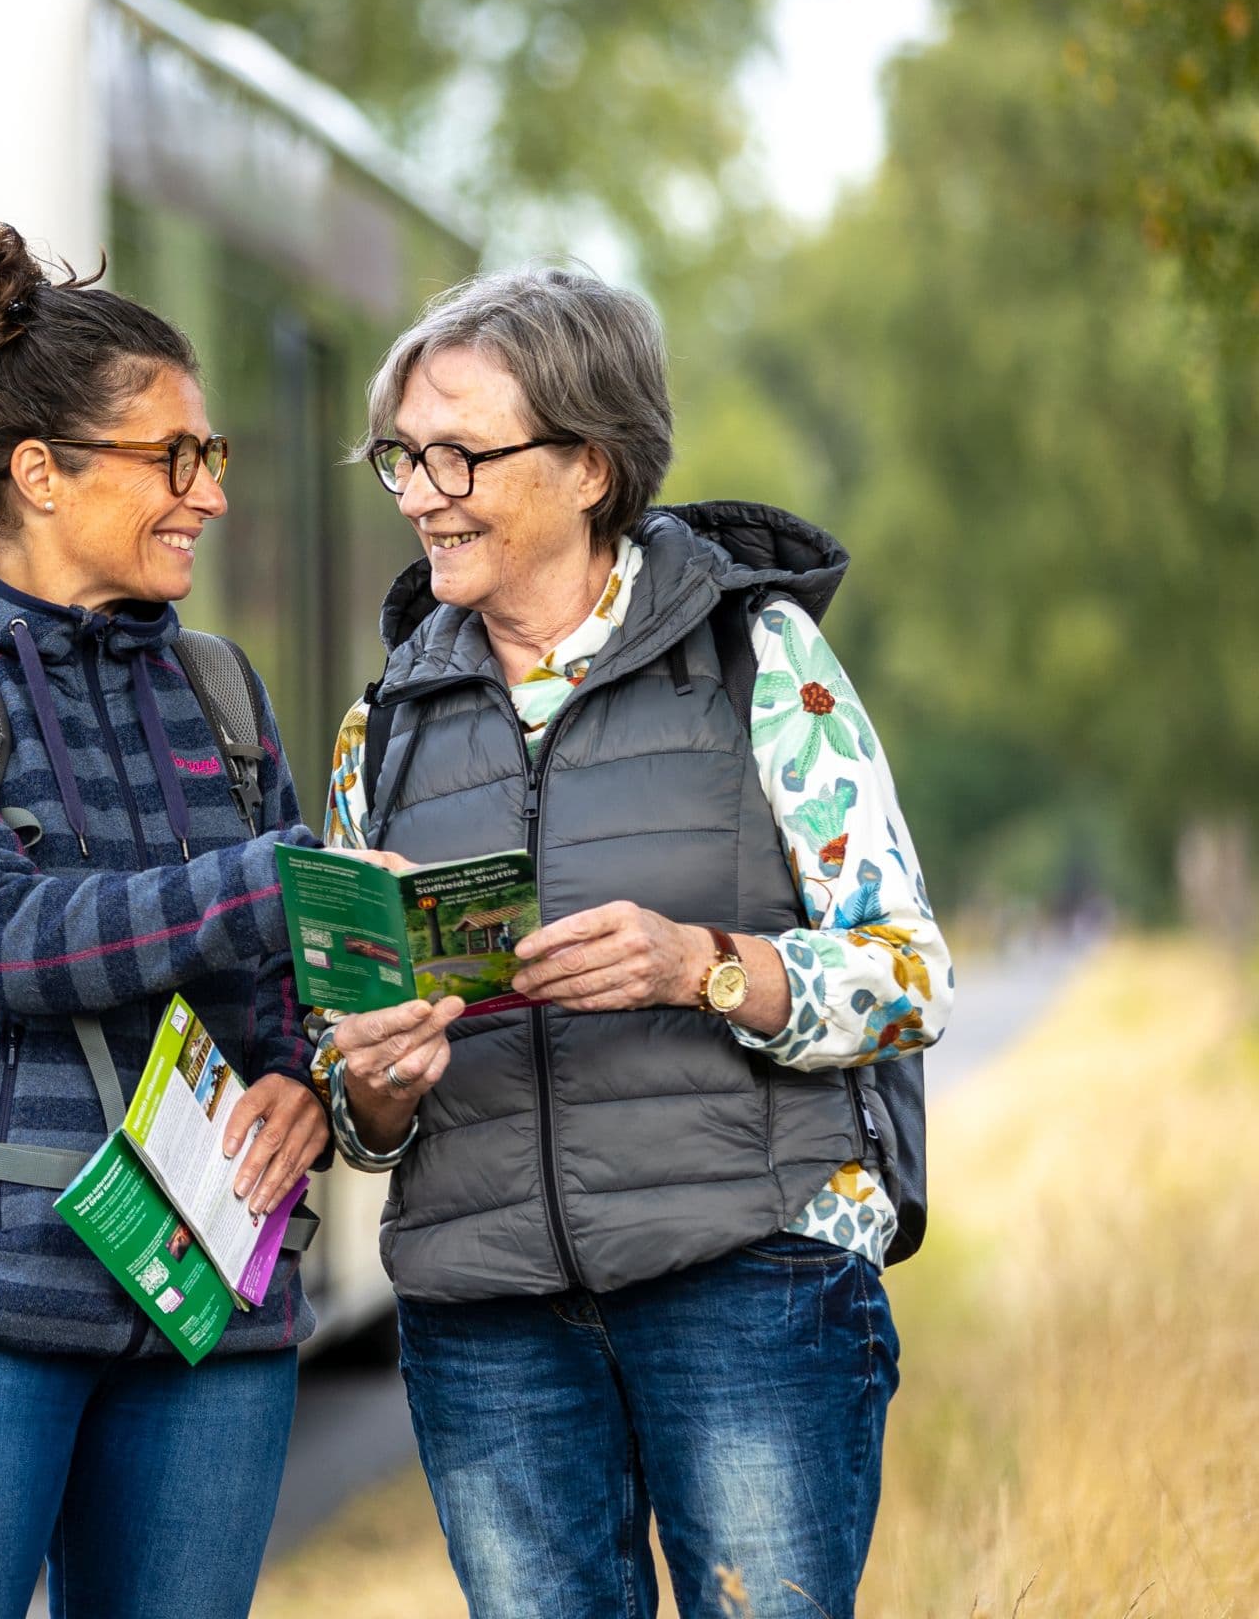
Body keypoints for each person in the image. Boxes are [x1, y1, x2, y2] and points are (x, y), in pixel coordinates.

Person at [316, 263, 951, 1619]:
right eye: (401, 458)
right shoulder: (385, 727)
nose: (421, 492)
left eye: (459, 455)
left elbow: (910, 974)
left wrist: (703, 966)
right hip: (487, 1322)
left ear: (591, 466)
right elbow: (352, 1096)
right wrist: (374, 1082)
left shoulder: (757, 662)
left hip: (752, 1282)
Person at [0, 223, 329, 1619]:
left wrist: (304, 1079)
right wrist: (269, 878)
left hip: (209, 1302)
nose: (210, 495)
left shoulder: (221, 693)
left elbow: (280, 993)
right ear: (39, 472)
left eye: (209, 456)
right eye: (176, 458)